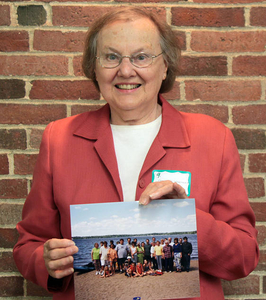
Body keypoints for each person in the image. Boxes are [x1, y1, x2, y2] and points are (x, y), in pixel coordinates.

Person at [13, 6, 259, 300]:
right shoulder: (60, 139)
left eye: (141, 57)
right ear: (94, 67)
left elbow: (244, 257)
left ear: (165, 66)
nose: (126, 70)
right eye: (111, 57)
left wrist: (188, 219)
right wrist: (44, 261)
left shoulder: (212, 138)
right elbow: (29, 244)